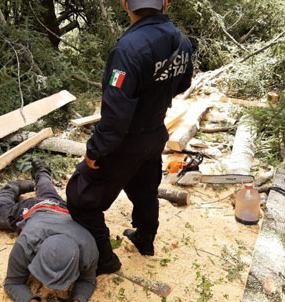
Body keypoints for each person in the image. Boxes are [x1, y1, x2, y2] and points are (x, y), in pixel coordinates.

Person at [66, 0, 193, 275]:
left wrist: (95, 151)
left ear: (125, 5)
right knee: (144, 189)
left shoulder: (128, 48)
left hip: (126, 141)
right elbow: (183, 84)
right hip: (155, 133)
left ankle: (105, 261)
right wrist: (154, 97)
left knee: (80, 199)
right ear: (164, 3)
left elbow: (115, 114)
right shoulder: (182, 41)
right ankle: (145, 240)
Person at [0, 160, 98, 302]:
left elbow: (88, 280)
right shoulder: (27, 242)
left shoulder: (89, 248)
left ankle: (42, 172)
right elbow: (12, 282)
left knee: (48, 193)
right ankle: (12, 188)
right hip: (32, 210)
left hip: (61, 209)